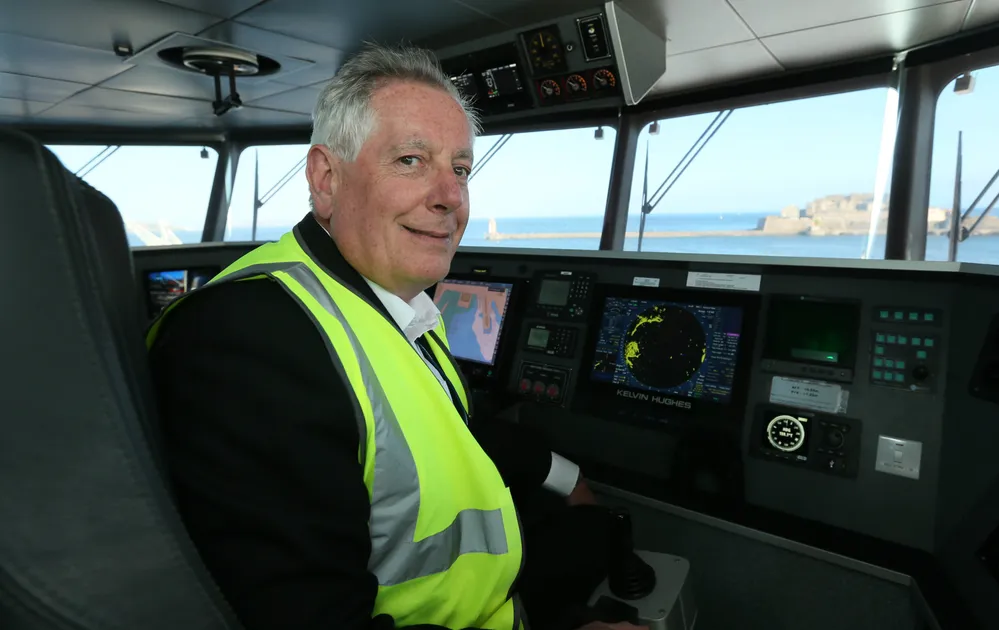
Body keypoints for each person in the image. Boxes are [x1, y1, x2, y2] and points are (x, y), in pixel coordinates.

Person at [147, 42, 647, 630]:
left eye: (460, 169)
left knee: (590, 528)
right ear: (326, 179)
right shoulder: (246, 339)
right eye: (411, 159)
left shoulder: (390, 302)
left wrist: (568, 476)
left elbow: (446, 426)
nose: (450, 197)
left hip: (486, 591)